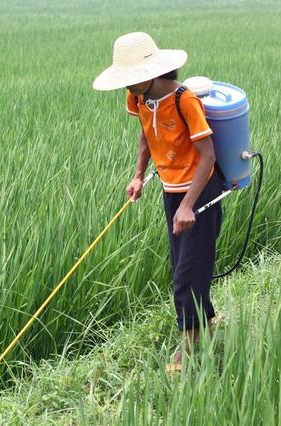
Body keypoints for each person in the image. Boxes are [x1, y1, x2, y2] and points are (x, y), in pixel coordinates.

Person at [93, 32, 223, 372]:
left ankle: (187, 350)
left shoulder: (185, 101)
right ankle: (206, 328)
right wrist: (138, 175)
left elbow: (208, 156)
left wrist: (187, 205)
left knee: (185, 277)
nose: (130, 86)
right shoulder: (139, 98)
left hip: (199, 192)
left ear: (152, 73)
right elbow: (146, 137)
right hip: (171, 190)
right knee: (185, 266)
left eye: (134, 79)